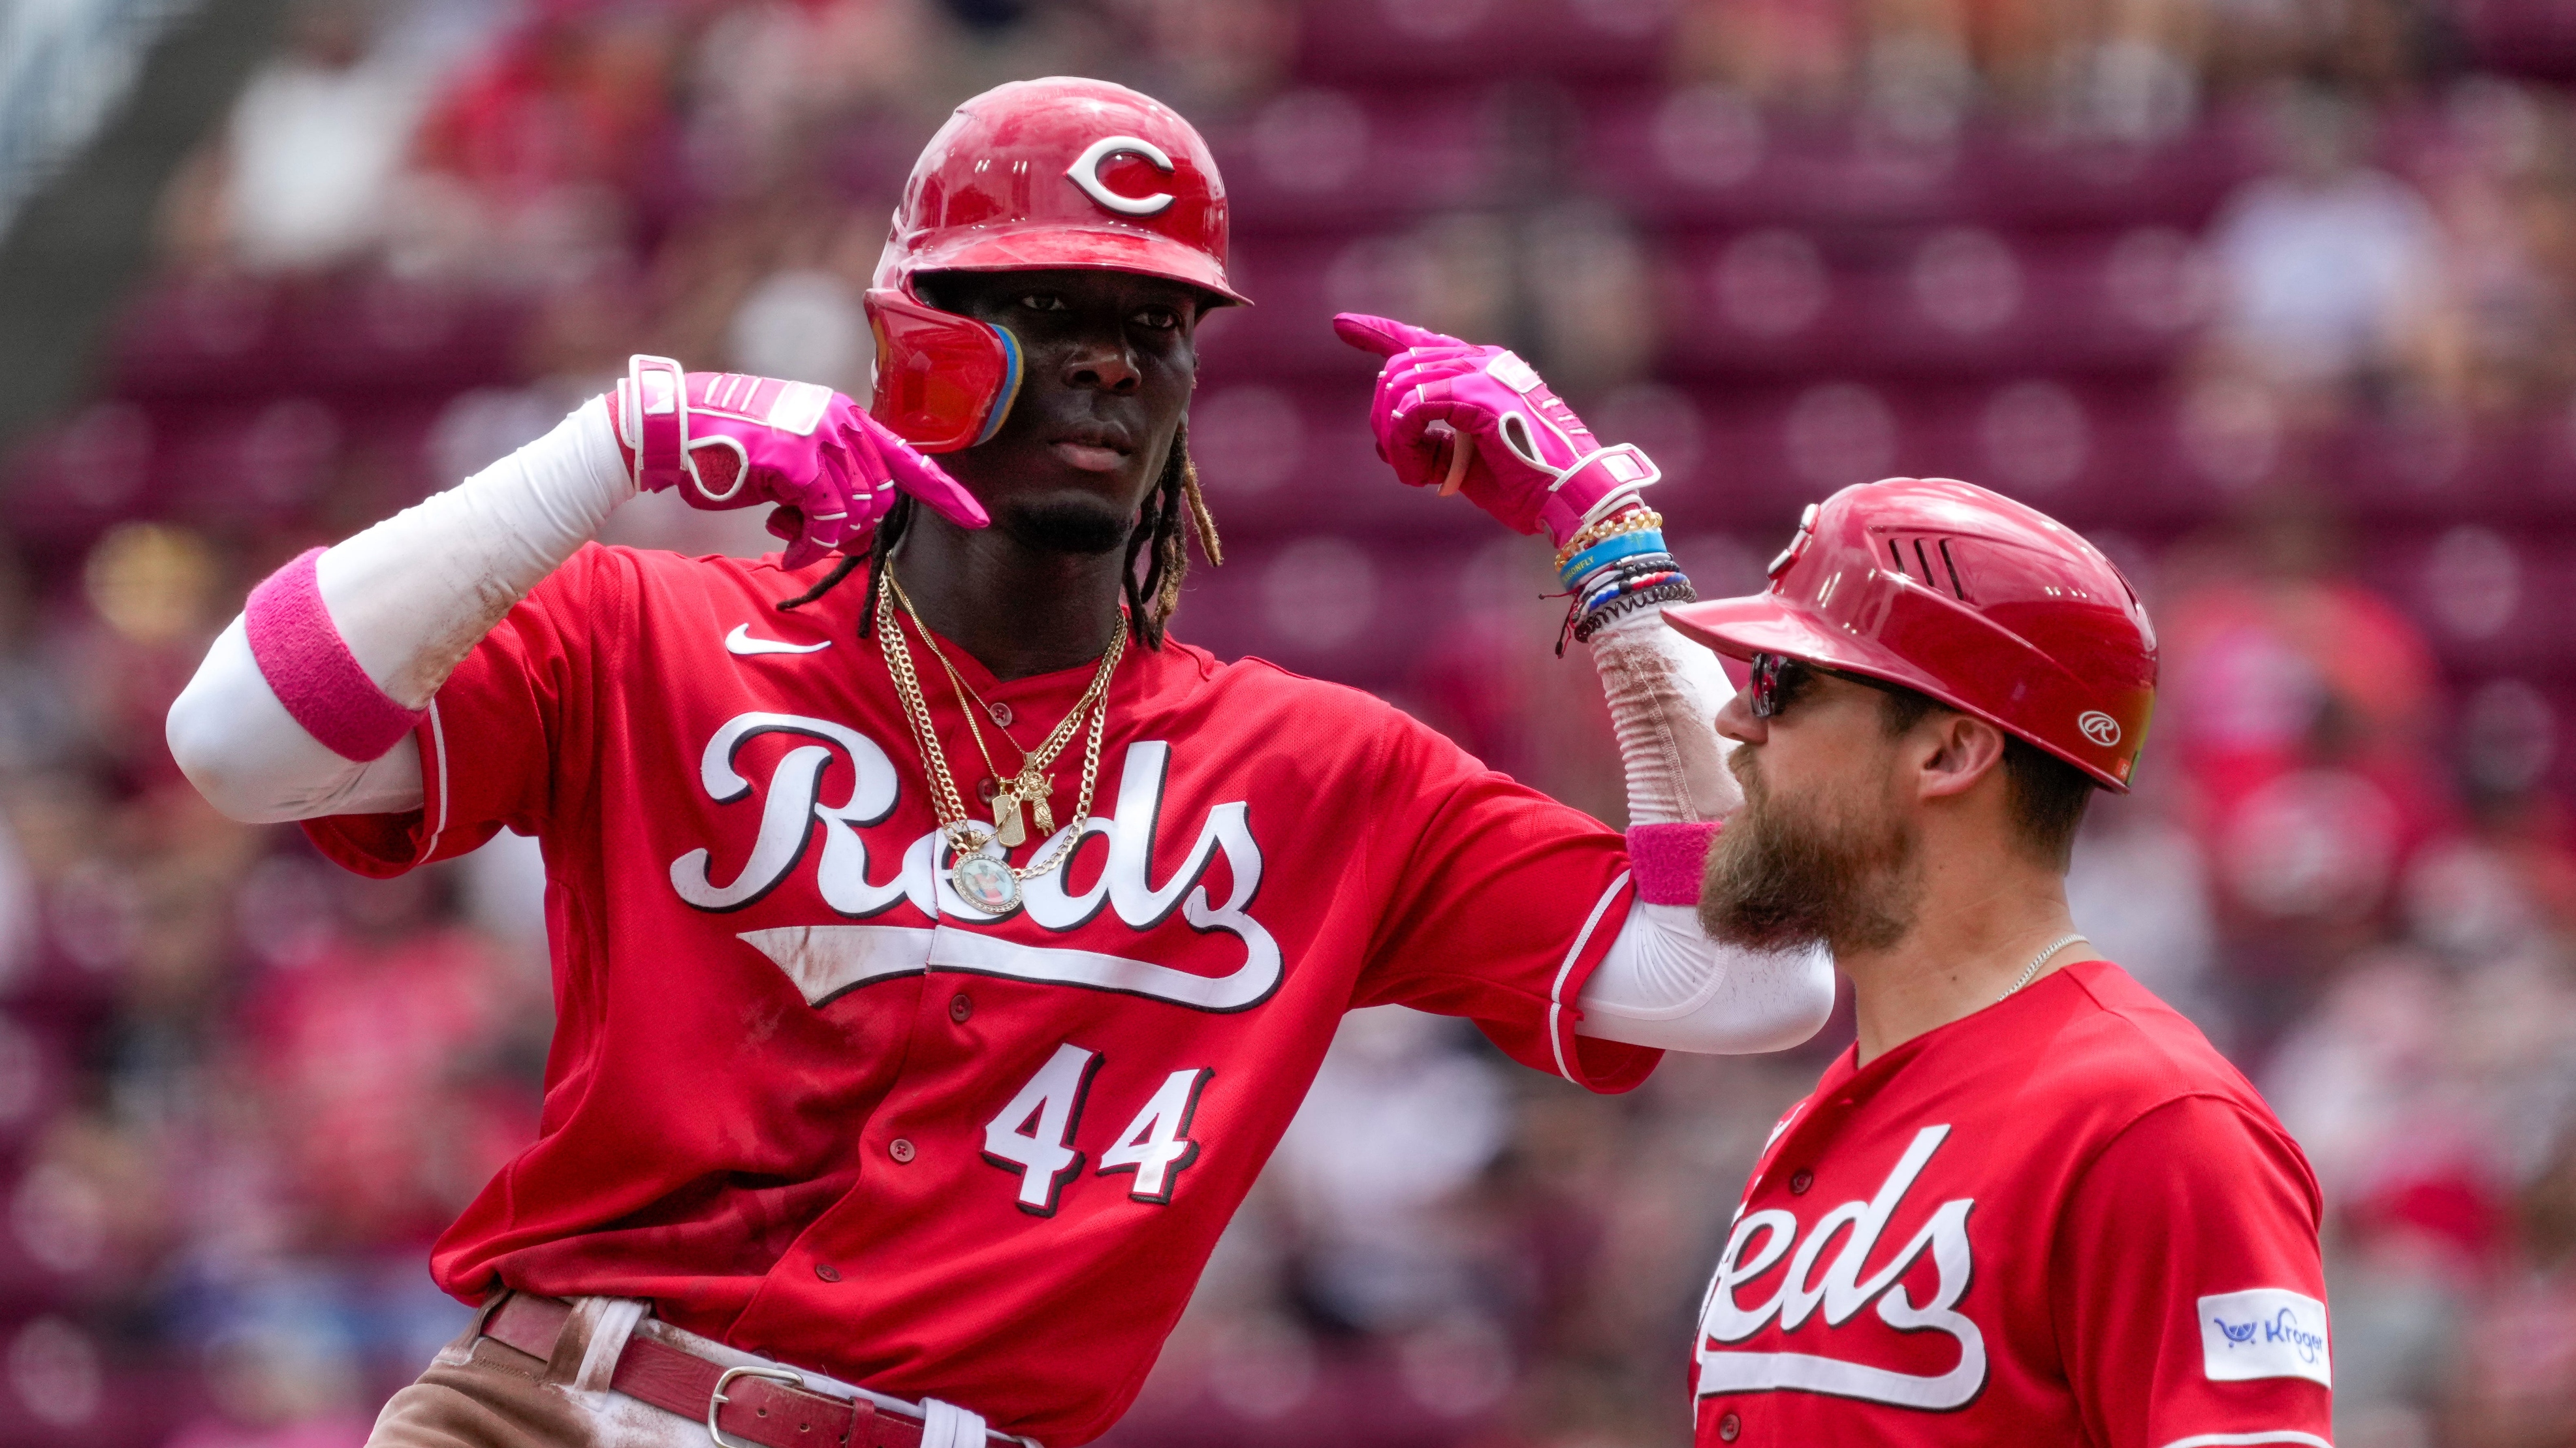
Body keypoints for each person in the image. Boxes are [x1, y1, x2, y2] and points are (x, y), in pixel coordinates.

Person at [164, 77, 1834, 1448]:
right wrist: (608, 446)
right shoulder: (648, 633)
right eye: (1043, 307)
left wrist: (1605, 544)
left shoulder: (1313, 766)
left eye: (1154, 322)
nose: (1111, 357)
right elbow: (236, 738)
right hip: (564, 1406)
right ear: (911, 337)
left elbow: (1742, 973)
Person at [1634, 478, 2332, 1445]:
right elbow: (1667, 931)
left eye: (1781, 682)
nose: (1737, 723)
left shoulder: (2156, 1124)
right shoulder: (1824, 1109)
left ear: (1949, 751)